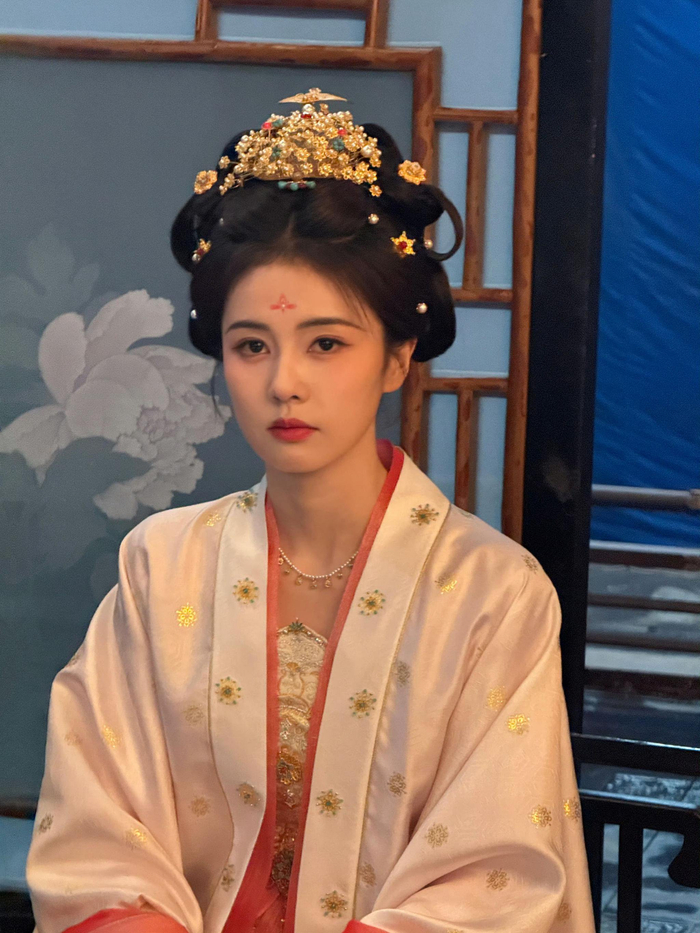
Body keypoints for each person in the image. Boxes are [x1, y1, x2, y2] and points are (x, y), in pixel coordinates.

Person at [26, 88, 596, 933]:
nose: (284, 382)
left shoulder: (493, 594)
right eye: (251, 345)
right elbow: (99, 836)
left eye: (326, 343)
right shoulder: (161, 565)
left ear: (398, 356)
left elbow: (497, 876)